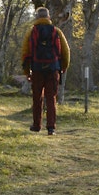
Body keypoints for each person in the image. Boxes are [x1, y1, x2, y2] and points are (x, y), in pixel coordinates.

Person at [21, 7, 70, 135]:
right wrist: (63, 67)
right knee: (51, 98)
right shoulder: (56, 31)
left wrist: (27, 72)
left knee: (37, 98)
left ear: (37, 17)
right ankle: (51, 128)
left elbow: (25, 53)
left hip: (37, 69)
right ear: (48, 17)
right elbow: (66, 52)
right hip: (53, 69)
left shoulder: (31, 32)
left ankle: (37, 125)